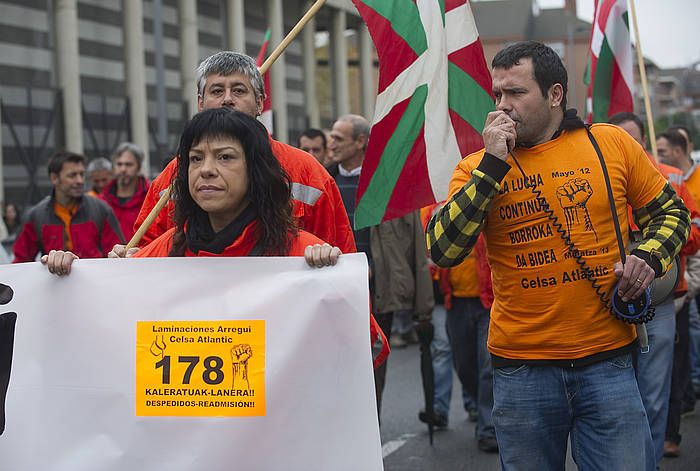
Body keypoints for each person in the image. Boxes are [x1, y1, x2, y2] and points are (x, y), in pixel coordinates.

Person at [426, 41, 690, 470]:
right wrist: (492, 166)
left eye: (516, 93)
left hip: (608, 364)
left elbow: (671, 213)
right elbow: (443, 249)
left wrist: (648, 256)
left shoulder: (611, 145)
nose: (503, 106)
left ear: (554, 95)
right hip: (521, 370)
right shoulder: (475, 166)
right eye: (497, 95)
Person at [120, 52, 354, 255]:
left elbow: (338, 255)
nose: (228, 99)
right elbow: (149, 251)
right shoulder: (176, 172)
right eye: (217, 90)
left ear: (260, 102)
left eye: (239, 90)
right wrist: (130, 261)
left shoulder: (306, 169)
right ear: (201, 103)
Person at [43, 110, 339, 270]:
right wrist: (71, 276)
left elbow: (353, 342)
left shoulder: (302, 253)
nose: (206, 169)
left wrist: (328, 274)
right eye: (196, 158)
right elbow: (108, 320)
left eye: (225, 157)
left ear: (256, 171)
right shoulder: (164, 251)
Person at [328, 114, 433, 418]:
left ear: (360, 142)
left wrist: (423, 309)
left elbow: (413, 247)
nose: (330, 143)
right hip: (333, 292)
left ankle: (368, 434)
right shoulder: (324, 180)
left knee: (373, 368)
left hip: (377, 292)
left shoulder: (386, 187)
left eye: (338, 138)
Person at [610, 113, 700, 463]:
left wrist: (655, 245)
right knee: (614, 393)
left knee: (653, 392)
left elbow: (692, 235)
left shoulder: (670, 178)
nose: (625, 146)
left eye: (631, 139)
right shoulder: (602, 177)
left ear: (643, 140)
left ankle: (648, 461)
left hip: (661, 300)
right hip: (613, 298)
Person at [13, 151, 124, 263]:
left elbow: (118, 254)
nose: (80, 181)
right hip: (54, 279)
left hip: (96, 279)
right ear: (54, 178)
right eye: (72, 175)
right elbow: (21, 262)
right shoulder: (35, 216)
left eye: (81, 174)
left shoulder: (101, 210)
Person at [101, 143, 150, 240]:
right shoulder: (101, 201)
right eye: (119, 164)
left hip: (141, 254)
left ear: (139, 167)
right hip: (108, 255)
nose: (123, 169)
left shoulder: (151, 198)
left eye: (129, 164)